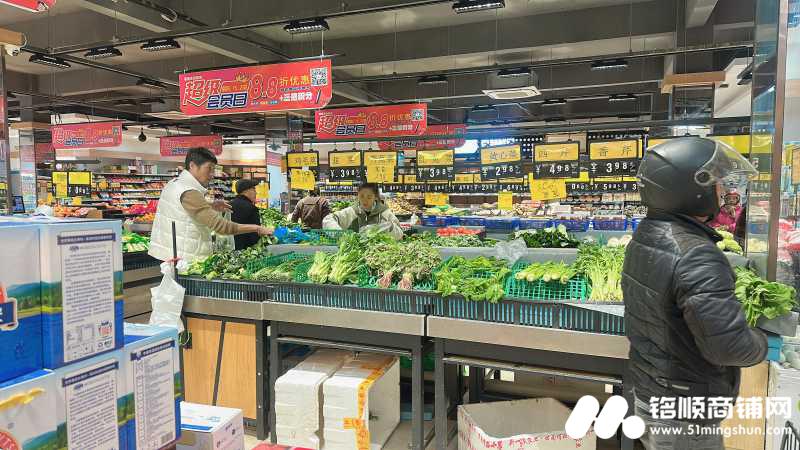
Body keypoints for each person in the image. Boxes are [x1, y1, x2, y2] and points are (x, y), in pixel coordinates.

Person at [624, 137, 769, 450]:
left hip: (650, 391)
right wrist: (762, 341)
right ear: (692, 190)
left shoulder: (646, 235)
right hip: (684, 408)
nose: (721, 190)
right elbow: (728, 348)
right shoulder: (696, 254)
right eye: (715, 182)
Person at [149, 147, 273, 262]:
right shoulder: (189, 191)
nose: (212, 174)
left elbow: (183, 208)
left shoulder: (174, 184)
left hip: (172, 254)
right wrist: (256, 228)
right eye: (209, 168)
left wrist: (210, 205)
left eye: (214, 169)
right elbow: (221, 227)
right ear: (192, 166)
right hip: (186, 259)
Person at [322, 183, 403, 240]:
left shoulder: (385, 213)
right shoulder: (352, 212)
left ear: (375, 197)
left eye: (369, 197)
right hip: (353, 256)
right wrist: (340, 234)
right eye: (361, 196)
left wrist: (389, 228)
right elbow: (328, 220)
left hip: (379, 256)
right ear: (357, 195)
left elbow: (400, 235)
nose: (365, 200)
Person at [230, 179, 263, 250]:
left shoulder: (229, 205)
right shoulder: (251, 208)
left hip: (230, 248)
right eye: (254, 189)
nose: (256, 193)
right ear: (247, 191)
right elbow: (255, 235)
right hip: (246, 250)